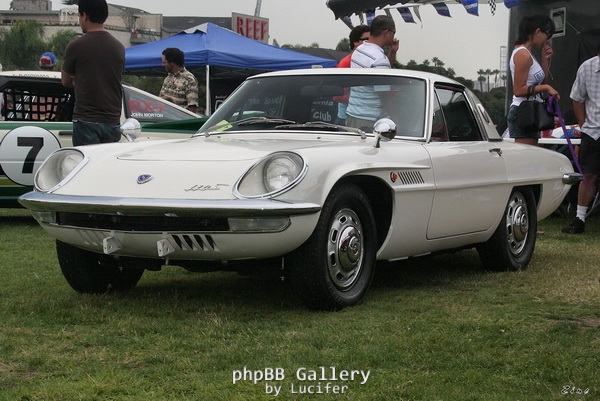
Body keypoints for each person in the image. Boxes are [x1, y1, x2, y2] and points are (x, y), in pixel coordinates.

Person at [61, 0, 125, 146]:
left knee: (86, 164)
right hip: (112, 119)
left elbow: (65, 81)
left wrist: (78, 80)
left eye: (79, 16)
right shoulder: (118, 47)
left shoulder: (76, 46)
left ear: (84, 16)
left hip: (86, 118)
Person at [561, 43, 600, 234]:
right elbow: (577, 99)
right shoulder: (587, 67)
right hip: (593, 131)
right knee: (588, 175)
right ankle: (580, 218)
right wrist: (583, 126)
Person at [507, 15, 560, 146]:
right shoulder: (523, 54)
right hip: (523, 111)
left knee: (528, 159)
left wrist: (545, 60)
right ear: (538, 31)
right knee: (525, 160)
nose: (547, 40)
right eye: (547, 35)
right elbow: (518, 90)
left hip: (530, 111)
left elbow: (539, 82)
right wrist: (546, 88)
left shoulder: (527, 53)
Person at [346, 15, 400, 130]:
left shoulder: (359, 51)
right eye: (393, 33)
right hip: (370, 120)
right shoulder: (379, 59)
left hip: (353, 114)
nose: (394, 36)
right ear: (386, 32)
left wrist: (392, 52)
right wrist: (397, 120)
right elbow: (384, 95)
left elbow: (383, 71)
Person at [334, 25, 370, 125]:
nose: (370, 43)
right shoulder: (346, 63)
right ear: (355, 42)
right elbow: (337, 96)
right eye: (366, 40)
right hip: (346, 119)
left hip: (360, 117)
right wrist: (364, 99)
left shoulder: (366, 61)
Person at [159, 48, 199, 113]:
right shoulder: (168, 78)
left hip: (179, 120)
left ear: (172, 62)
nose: (162, 65)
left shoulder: (189, 79)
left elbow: (192, 107)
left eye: (164, 62)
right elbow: (160, 101)